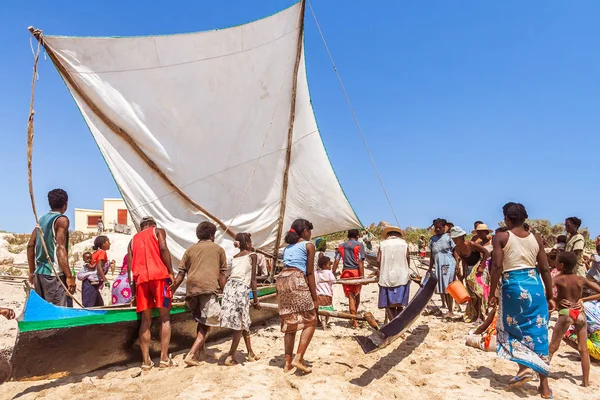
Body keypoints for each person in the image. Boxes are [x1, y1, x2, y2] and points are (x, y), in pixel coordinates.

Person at [489, 202, 553, 399]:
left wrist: (492, 292)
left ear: (507, 219)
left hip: (513, 286)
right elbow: (544, 268)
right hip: (535, 287)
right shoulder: (537, 238)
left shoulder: (501, 237)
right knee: (539, 333)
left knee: (511, 329)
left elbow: (497, 266)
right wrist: (550, 294)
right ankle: (544, 387)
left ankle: (524, 368)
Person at [171, 221, 227, 367]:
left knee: (200, 319)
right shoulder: (219, 249)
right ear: (211, 235)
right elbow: (222, 275)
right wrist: (225, 292)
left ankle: (200, 352)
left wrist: (171, 290)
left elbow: (181, 274)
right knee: (206, 325)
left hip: (192, 289)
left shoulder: (189, 250)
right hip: (208, 288)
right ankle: (191, 354)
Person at [127, 216, 175, 370]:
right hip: (160, 277)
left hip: (141, 280)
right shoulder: (158, 231)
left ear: (141, 227)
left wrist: (133, 292)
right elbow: (163, 249)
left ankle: (146, 361)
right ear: (153, 224)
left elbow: (129, 268)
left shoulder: (132, 240)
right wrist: (170, 271)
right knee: (165, 317)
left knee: (145, 320)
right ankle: (164, 358)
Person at [549, 251, 600, 387]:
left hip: (566, 313)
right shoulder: (580, 279)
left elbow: (546, 292)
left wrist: (557, 300)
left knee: (553, 346)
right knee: (583, 349)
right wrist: (583, 299)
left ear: (561, 264)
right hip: (580, 313)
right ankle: (585, 381)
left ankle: (542, 376)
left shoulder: (558, 279)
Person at [276, 219, 318, 373]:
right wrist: (315, 298)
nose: (310, 234)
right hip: (296, 278)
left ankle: (287, 363)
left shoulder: (287, 248)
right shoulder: (309, 245)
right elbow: (310, 273)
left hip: (281, 280)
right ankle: (299, 357)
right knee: (311, 321)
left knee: (290, 323)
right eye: (310, 231)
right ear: (305, 231)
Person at [26, 189, 76, 307]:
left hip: (39, 275)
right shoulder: (62, 220)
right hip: (54, 274)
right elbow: (60, 248)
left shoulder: (42, 220)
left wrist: (32, 272)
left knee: (44, 310)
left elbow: (30, 245)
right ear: (66, 204)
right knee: (59, 312)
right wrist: (69, 276)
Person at [220, 233, 261, 366]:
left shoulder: (235, 257)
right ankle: (231, 356)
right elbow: (253, 279)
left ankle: (250, 353)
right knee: (239, 324)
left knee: (243, 320)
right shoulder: (252, 256)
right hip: (241, 289)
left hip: (230, 288)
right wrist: (256, 299)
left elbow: (227, 275)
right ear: (248, 243)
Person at [450, 226, 490, 323]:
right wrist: (462, 273)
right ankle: (475, 314)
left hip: (479, 268)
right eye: (453, 238)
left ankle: (481, 315)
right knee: (472, 294)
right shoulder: (457, 249)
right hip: (469, 269)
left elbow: (485, 252)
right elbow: (464, 261)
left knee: (479, 292)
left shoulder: (471, 244)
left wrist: (482, 265)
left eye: (456, 238)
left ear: (461, 237)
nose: (454, 240)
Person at [375, 226, 411, 321]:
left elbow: (378, 260)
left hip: (386, 277)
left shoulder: (382, 244)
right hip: (402, 276)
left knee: (388, 303)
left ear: (388, 235)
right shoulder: (404, 244)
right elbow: (407, 257)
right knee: (400, 304)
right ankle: (399, 321)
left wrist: (381, 270)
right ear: (398, 235)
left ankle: (393, 321)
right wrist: (407, 269)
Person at [333, 229, 366, 328]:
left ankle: (353, 318)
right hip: (356, 272)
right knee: (356, 297)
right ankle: (354, 321)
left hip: (346, 273)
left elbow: (336, 261)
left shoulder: (341, 246)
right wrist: (362, 276)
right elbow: (360, 261)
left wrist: (332, 273)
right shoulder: (359, 245)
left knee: (352, 297)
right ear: (357, 235)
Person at [428, 218, 457, 319]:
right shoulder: (432, 240)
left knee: (448, 287)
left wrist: (457, 265)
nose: (438, 229)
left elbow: (455, 252)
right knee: (442, 288)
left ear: (444, 227)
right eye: (436, 228)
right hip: (438, 266)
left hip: (449, 264)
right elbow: (432, 255)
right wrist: (429, 268)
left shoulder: (449, 238)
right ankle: (447, 307)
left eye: (440, 227)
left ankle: (450, 310)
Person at [315, 256, 335, 330]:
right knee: (328, 310)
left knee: (321, 311)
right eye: (329, 265)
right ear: (324, 265)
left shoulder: (316, 273)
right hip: (327, 295)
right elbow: (334, 281)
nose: (330, 266)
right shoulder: (329, 272)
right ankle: (325, 325)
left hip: (318, 295)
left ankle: (323, 325)